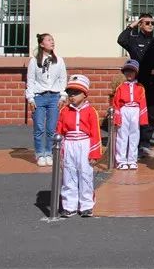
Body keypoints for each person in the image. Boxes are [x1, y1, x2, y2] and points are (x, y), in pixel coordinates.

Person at [117, 13, 154, 157]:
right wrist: (133, 25)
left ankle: (145, 144)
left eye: (152, 23)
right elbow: (121, 39)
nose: (150, 25)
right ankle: (133, 145)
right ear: (141, 25)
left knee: (151, 115)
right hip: (138, 83)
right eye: (147, 23)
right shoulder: (134, 39)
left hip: (153, 83)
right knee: (137, 114)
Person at [56, 74, 101, 218]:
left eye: (76, 93)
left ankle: (86, 205)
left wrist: (94, 154)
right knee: (69, 175)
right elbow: (60, 130)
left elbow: (95, 134)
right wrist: (60, 153)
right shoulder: (64, 111)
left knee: (85, 175)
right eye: (70, 92)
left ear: (84, 94)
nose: (72, 96)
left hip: (84, 144)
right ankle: (69, 205)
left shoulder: (91, 111)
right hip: (69, 144)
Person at [24, 33, 67, 166]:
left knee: (51, 128)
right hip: (39, 97)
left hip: (54, 96)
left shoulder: (59, 60)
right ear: (42, 44)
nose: (52, 42)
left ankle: (49, 152)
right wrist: (30, 98)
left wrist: (63, 95)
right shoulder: (34, 61)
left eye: (52, 40)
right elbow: (30, 80)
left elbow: (62, 78)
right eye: (48, 40)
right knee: (39, 128)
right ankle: (39, 153)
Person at [111, 59, 149, 170]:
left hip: (135, 112)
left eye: (131, 71)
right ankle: (121, 160)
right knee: (122, 136)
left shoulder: (140, 87)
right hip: (124, 110)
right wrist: (117, 117)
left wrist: (143, 119)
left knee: (134, 136)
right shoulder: (120, 87)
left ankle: (132, 159)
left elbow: (143, 103)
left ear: (136, 72)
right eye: (127, 71)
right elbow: (116, 103)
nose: (129, 73)